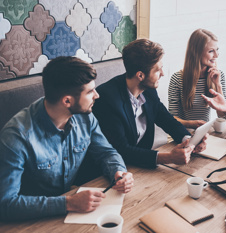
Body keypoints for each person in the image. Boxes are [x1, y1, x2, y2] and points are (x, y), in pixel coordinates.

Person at [0, 57, 134, 221]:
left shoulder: (86, 117)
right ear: (67, 101)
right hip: (30, 219)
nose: (97, 95)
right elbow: (5, 204)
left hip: (72, 210)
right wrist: (68, 203)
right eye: (90, 91)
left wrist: (118, 171)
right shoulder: (16, 137)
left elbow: (106, 152)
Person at [93, 39, 207, 169]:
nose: (163, 74)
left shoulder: (149, 91)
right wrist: (168, 157)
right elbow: (121, 150)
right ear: (140, 75)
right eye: (158, 70)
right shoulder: (107, 99)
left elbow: (167, 120)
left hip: (142, 166)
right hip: (113, 170)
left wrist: (189, 141)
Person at [168, 29, 226, 129]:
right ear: (196, 53)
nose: (216, 55)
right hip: (183, 134)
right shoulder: (177, 78)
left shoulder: (218, 75)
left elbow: (223, 116)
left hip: (205, 133)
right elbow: (172, 118)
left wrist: (218, 85)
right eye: (211, 51)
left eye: (217, 50)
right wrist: (192, 124)